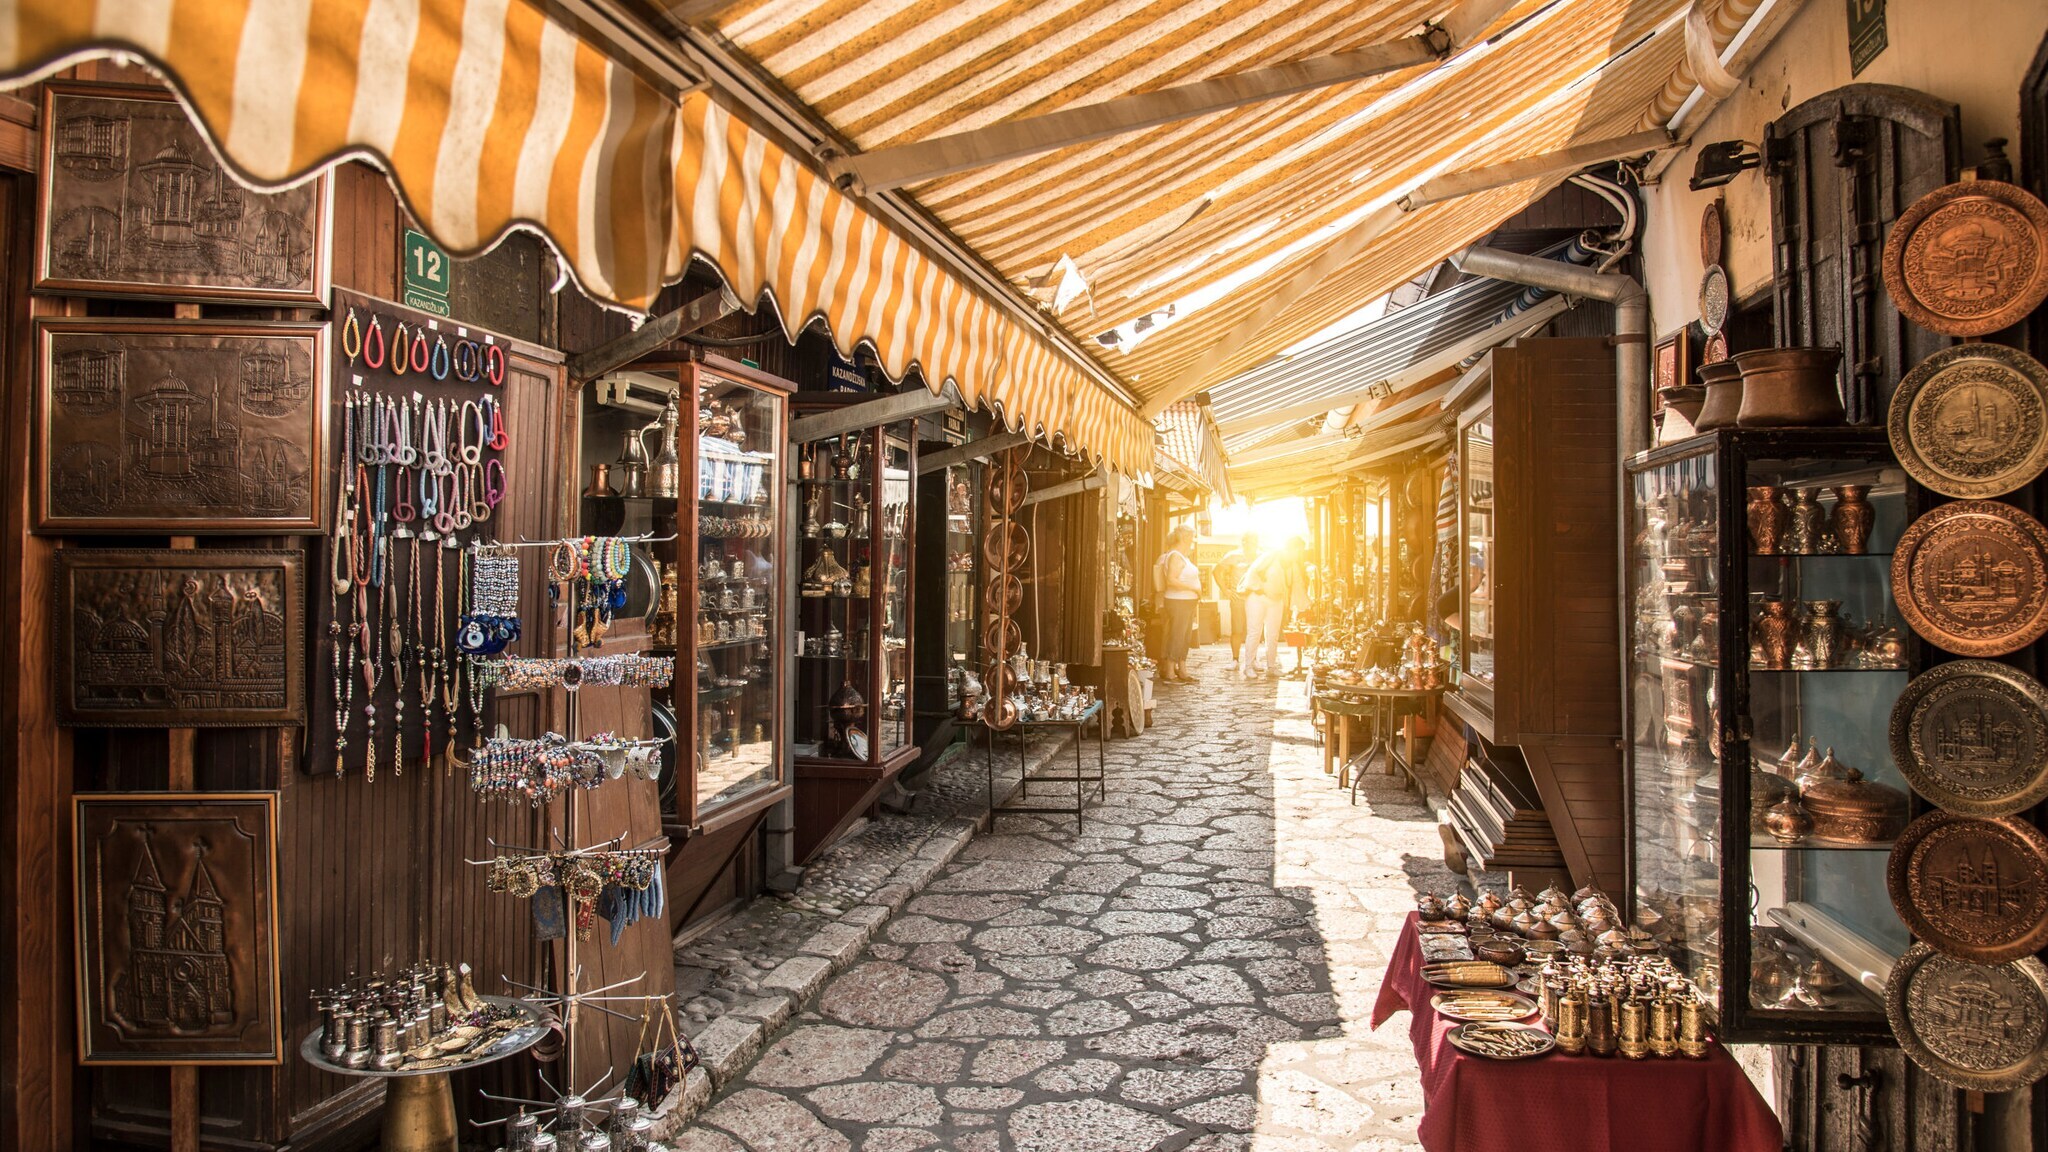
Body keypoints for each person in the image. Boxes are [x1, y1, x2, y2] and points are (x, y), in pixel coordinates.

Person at [1238, 536, 1305, 680]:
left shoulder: (1293, 565)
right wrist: (1259, 588)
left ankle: (1271, 667)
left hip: (1276, 600)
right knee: (1254, 631)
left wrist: (1303, 606)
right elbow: (1253, 572)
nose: (1299, 554)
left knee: (1273, 634)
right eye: (1298, 550)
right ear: (1291, 548)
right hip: (1258, 598)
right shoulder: (1270, 557)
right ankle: (1248, 666)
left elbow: (1298, 586)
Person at [1155, 525, 1203, 683]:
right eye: (1191, 537)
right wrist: (1193, 588)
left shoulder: (1183, 556)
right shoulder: (1175, 556)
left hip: (1186, 602)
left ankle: (1182, 669)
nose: (1192, 540)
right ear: (1184, 538)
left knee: (1185, 637)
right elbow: (1171, 580)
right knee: (1177, 636)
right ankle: (1170, 671)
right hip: (1178, 601)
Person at [1211, 532, 1258, 663]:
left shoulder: (1260, 557)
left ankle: (1253, 659)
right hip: (1238, 598)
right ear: (1243, 542)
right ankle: (1235, 659)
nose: (1251, 545)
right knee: (1237, 630)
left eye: (1254, 542)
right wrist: (1225, 590)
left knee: (1254, 631)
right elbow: (1216, 571)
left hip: (1255, 598)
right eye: (1248, 542)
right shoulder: (1233, 556)